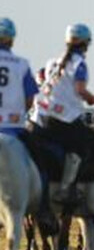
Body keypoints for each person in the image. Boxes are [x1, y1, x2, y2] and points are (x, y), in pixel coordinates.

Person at [36, 23, 94, 204]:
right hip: (63, 117)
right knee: (83, 147)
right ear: (85, 43)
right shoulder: (79, 64)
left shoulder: (52, 62)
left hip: (41, 114)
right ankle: (66, 189)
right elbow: (81, 91)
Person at [0, 18, 57, 230]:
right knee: (40, 161)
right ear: (11, 39)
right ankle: (43, 209)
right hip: (14, 129)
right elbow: (30, 99)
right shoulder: (20, 64)